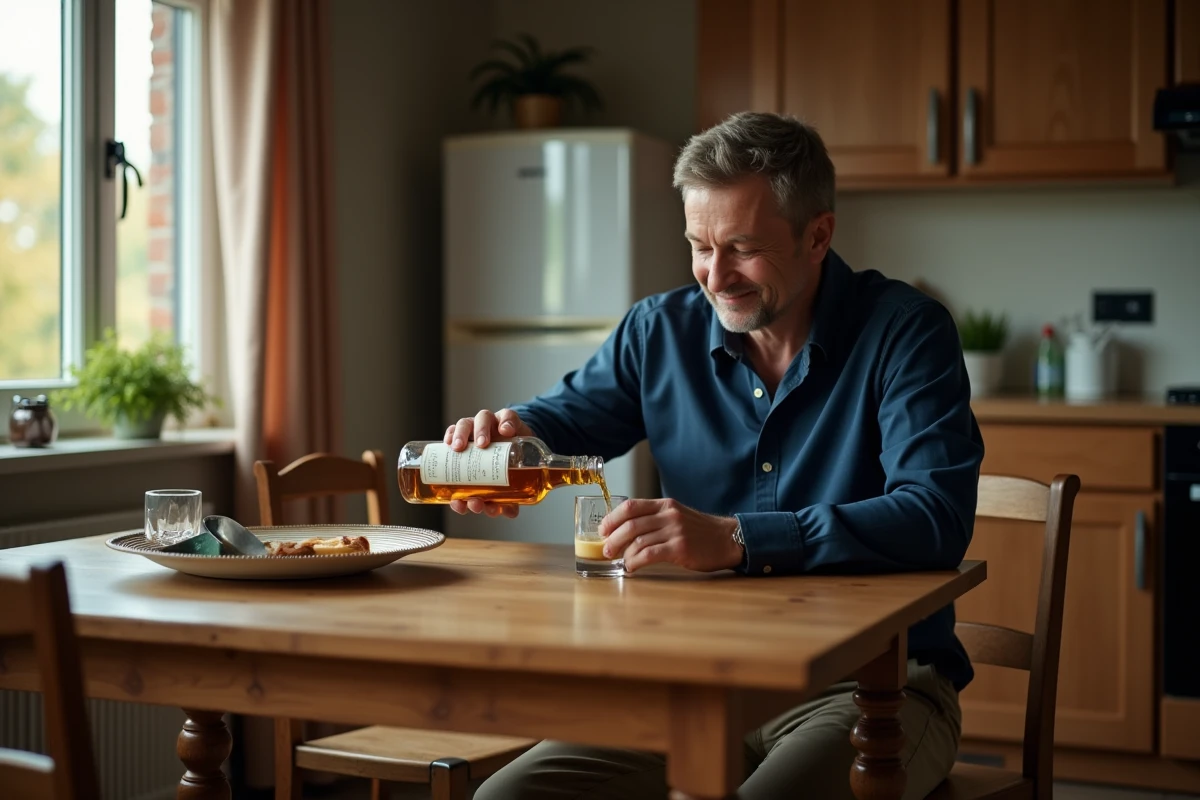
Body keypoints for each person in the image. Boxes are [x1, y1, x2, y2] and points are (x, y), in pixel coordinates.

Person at [444, 111, 984, 800]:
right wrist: (512, 439)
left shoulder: (905, 333)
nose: (714, 275)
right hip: (698, 682)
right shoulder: (657, 331)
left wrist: (736, 538)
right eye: (699, 245)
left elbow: (935, 515)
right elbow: (566, 421)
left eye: (742, 247)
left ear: (818, 235)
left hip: (876, 686)